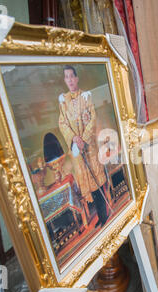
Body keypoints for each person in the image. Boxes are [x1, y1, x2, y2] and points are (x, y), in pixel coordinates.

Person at [58, 65, 109, 228]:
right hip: (77, 151)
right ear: (65, 80)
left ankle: (104, 214)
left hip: (89, 147)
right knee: (88, 184)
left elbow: (92, 118)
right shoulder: (63, 102)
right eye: (67, 77)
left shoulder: (86, 96)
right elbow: (62, 123)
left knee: (97, 180)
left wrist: (83, 139)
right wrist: (74, 138)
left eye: (72, 76)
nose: (70, 80)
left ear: (77, 78)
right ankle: (100, 217)